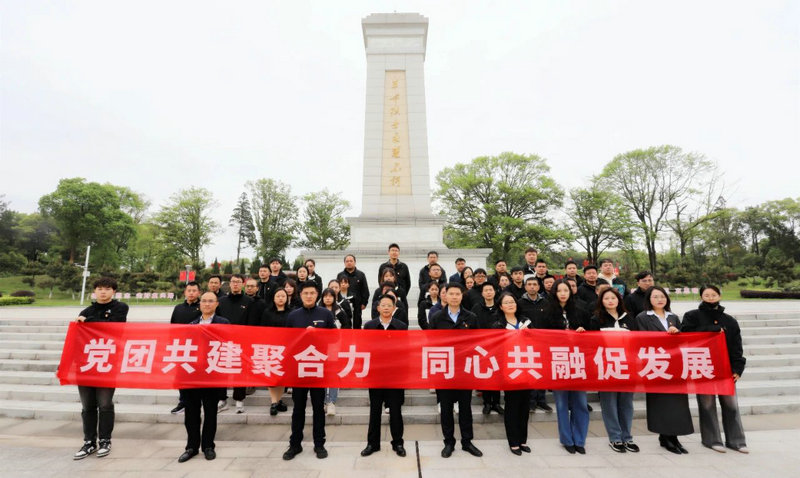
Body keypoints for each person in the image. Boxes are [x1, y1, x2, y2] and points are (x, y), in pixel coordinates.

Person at [681, 285, 748, 454]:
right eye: (707, 295)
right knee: (707, 404)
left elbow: (736, 347)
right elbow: (686, 334)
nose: (710, 297)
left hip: (725, 368)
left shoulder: (730, 320)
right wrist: (712, 329)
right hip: (703, 365)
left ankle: (736, 441)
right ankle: (711, 439)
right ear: (701, 296)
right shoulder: (692, 316)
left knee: (731, 405)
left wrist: (738, 368)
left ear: (719, 296)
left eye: (714, 294)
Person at [72, 277, 129, 460]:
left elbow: (113, 327)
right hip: (87, 364)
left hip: (107, 363)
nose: (103, 292)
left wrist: (87, 321)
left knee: (105, 404)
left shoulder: (121, 308)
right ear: (94, 291)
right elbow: (78, 337)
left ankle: (105, 440)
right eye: (99, 288)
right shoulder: (86, 310)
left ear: (114, 291)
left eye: (107, 288)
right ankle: (89, 442)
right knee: (87, 406)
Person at [283, 282, 337, 461]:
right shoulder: (293, 316)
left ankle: (319, 444)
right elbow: (286, 342)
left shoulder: (325, 314)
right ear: (300, 294)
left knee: (318, 408)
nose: (308, 296)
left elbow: (335, 338)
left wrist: (318, 333)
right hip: (299, 369)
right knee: (298, 408)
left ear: (317, 295)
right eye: (305, 293)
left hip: (318, 367)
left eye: (312, 293)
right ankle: (295, 444)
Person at [635, 286, 692, 455]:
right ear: (649, 300)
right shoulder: (643, 317)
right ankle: (665, 436)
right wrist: (664, 337)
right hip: (655, 365)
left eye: (662, 296)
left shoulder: (673, 317)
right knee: (660, 403)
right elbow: (642, 340)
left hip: (674, 366)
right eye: (655, 297)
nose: (659, 299)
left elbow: (682, 341)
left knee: (677, 403)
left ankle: (674, 436)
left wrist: (677, 333)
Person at [429, 283, 483, 459]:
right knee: (446, 408)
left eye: (457, 294)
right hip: (444, 370)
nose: (453, 296)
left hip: (464, 369)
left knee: (465, 407)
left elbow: (477, 342)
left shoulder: (472, 317)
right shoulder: (437, 318)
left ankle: (467, 441)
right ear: (444, 296)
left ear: (462, 296)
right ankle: (449, 442)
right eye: (450, 293)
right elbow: (431, 342)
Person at [540, 279, 591, 454]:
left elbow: (591, 336)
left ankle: (580, 439)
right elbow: (543, 338)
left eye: (566, 290)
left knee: (581, 403)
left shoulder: (580, 311)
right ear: (554, 293)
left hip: (578, 362)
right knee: (561, 403)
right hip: (558, 362)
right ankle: (567, 439)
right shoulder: (546, 312)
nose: (563, 293)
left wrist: (582, 332)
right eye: (559, 290)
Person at [178, 292, 230, 463]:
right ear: (199, 304)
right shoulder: (191, 324)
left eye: (211, 301)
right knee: (191, 413)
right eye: (204, 301)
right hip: (192, 374)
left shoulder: (224, 323)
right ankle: (191, 447)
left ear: (217, 304)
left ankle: (208, 446)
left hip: (212, 375)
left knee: (210, 412)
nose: (207, 304)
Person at [590, 287, 638, 453]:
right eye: (606, 298)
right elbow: (591, 344)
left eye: (613, 298)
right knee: (609, 404)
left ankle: (627, 437)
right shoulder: (597, 319)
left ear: (619, 300)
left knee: (626, 404)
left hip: (627, 367)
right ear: (601, 302)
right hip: (606, 367)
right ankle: (615, 438)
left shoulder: (630, 318)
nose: (610, 301)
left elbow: (638, 341)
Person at [360, 294, 408, 458]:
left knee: (395, 411)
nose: (386, 308)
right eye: (383, 305)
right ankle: (372, 444)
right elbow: (365, 349)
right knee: (375, 411)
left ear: (394, 308)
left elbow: (406, 350)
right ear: (378, 308)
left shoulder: (401, 326)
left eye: (389, 305)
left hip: (395, 377)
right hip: (376, 375)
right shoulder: (369, 326)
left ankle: (398, 443)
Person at [495, 292, 533, 455]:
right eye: (507, 302)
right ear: (501, 307)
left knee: (525, 406)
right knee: (512, 406)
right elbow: (496, 346)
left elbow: (537, 340)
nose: (511, 304)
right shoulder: (498, 324)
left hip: (527, 367)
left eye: (513, 301)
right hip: (509, 370)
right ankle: (513, 441)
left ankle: (523, 440)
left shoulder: (526, 321)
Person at [217, 274, 254, 413]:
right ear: (229, 284)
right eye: (233, 282)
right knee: (222, 370)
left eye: (238, 282)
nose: (235, 284)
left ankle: (239, 400)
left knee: (240, 371)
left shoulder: (249, 301)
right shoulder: (221, 301)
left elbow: (251, 323)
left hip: (242, 342)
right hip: (224, 342)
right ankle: (222, 399)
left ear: (243, 284)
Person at [169, 281, 202, 415]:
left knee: (196, 375)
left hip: (197, 347)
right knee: (181, 375)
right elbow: (172, 327)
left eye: (194, 290)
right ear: (185, 292)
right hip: (181, 347)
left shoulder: (203, 307)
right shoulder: (178, 308)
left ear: (199, 292)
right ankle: (183, 401)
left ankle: (197, 400)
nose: (191, 293)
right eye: (189, 290)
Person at [471, 282, 503, 415]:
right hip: (482, 347)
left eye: (491, 289)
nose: (489, 292)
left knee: (497, 375)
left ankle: (496, 403)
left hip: (499, 345)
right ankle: (487, 403)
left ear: (494, 292)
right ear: (482, 293)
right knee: (486, 375)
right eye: (486, 290)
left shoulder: (500, 307)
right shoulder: (476, 308)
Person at [260, 288, 292, 415]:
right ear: (273, 298)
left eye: (283, 296)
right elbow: (262, 330)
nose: (280, 298)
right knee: (272, 376)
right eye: (278, 296)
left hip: (287, 349)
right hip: (271, 348)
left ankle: (279, 400)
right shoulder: (267, 312)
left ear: (287, 298)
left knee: (282, 376)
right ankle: (273, 401)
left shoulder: (292, 313)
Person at [319, 287, 351, 416]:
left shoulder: (339, 311)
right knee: (320, 375)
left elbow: (347, 327)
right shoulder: (317, 311)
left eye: (330, 296)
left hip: (334, 346)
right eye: (325, 296)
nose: (328, 298)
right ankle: (322, 401)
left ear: (334, 298)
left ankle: (331, 401)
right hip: (318, 347)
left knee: (332, 374)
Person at [340, 254, 370, 329]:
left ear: (355, 262)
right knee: (345, 323)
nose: (349, 262)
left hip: (357, 305)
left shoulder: (361, 275)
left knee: (357, 323)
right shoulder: (340, 275)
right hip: (343, 304)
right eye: (347, 261)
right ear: (344, 263)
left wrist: (364, 303)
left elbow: (365, 290)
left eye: (351, 261)